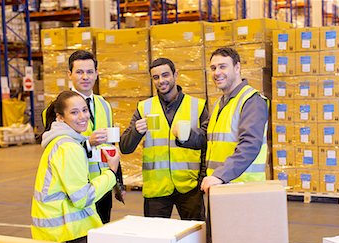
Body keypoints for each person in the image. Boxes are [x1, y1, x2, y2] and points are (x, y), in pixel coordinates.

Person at [120, 58, 207, 221]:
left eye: (165, 75)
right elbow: (125, 147)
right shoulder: (144, 108)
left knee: (196, 240)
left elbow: (206, 143)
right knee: (156, 241)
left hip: (189, 187)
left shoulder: (197, 106)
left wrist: (201, 180)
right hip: (157, 188)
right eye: (156, 77)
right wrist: (136, 132)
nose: (161, 81)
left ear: (175, 75)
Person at [31, 90, 120, 242]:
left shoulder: (58, 141)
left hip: (52, 230)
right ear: (60, 117)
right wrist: (111, 173)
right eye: (74, 112)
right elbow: (82, 198)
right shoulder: (69, 147)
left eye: (85, 110)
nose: (83, 116)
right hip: (66, 233)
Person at [67, 50, 124, 223]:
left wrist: (117, 182)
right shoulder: (60, 107)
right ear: (69, 74)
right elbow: (57, 150)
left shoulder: (104, 105)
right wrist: (88, 143)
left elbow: (112, 146)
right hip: (78, 188)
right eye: (79, 72)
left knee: (102, 234)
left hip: (103, 185)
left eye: (90, 72)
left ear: (97, 74)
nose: (85, 77)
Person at [201, 47, 269, 193]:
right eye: (213, 68)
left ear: (237, 67)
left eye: (222, 67)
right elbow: (207, 137)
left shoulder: (251, 101)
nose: (217, 72)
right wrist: (183, 137)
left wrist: (220, 175)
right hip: (220, 185)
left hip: (243, 188)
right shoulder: (220, 103)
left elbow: (250, 145)